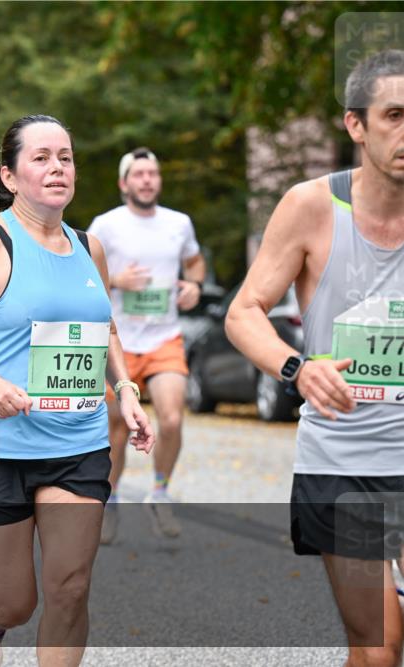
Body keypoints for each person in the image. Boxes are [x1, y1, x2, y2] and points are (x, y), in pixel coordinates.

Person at [0, 117, 155, 667]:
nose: (57, 168)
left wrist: (125, 389)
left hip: (78, 446)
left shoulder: (90, 247)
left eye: (65, 158)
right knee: (14, 602)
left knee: (70, 589)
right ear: (10, 176)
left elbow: (104, 328)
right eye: (41, 158)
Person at [225, 50, 403, 667]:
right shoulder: (311, 207)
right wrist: (298, 369)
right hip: (344, 463)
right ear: (356, 125)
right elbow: (244, 312)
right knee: (378, 651)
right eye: (394, 116)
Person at [87, 147, 206, 544]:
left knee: (171, 419)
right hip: (117, 341)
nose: (147, 180)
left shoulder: (178, 223)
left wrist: (194, 286)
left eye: (153, 173)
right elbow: (84, 272)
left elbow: (195, 262)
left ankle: (159, 492)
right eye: (139, 174)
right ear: (124, 183)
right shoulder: (106, 225)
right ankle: (111, 501)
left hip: (163, 337)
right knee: (116, 429)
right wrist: (116, 281)